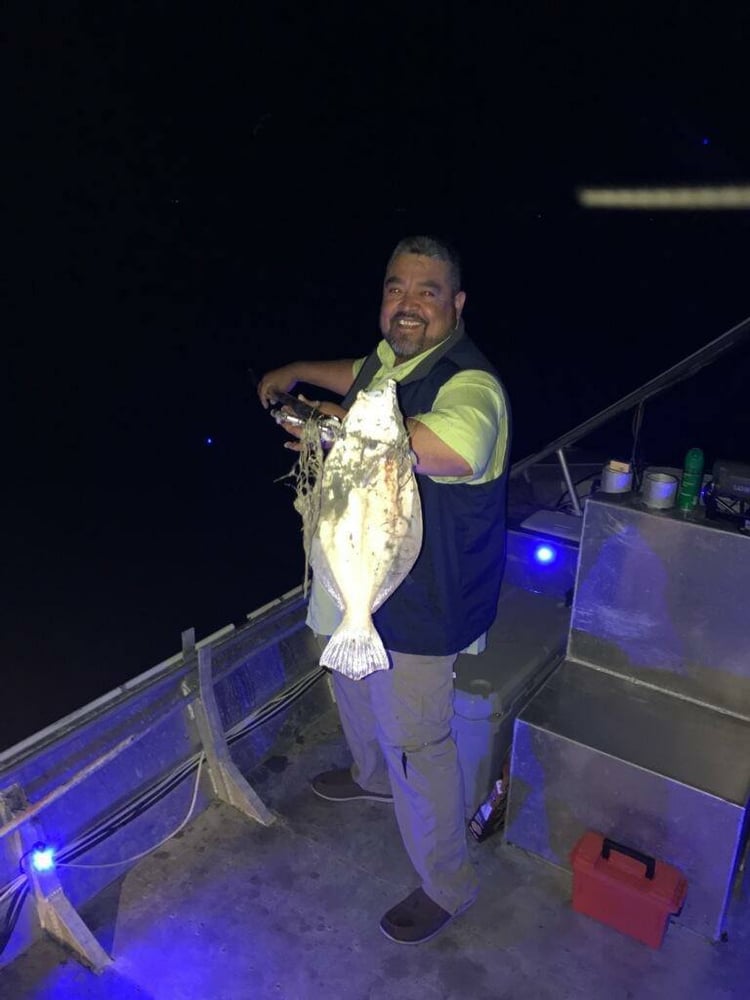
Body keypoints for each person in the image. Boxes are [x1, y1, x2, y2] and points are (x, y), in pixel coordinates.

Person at [257, 235, 511, 944]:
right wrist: (303, 371)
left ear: (456, 305)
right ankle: (369, 776)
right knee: (348, 683)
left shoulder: (471, 383)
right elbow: (359, 374)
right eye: (397, 288)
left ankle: (448, 884)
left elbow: (456, 444)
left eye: (427, 292)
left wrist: (334, 424)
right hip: (356, 580)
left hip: (426, 604)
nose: (407, 304)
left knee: (417, 742)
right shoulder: (390, 359)